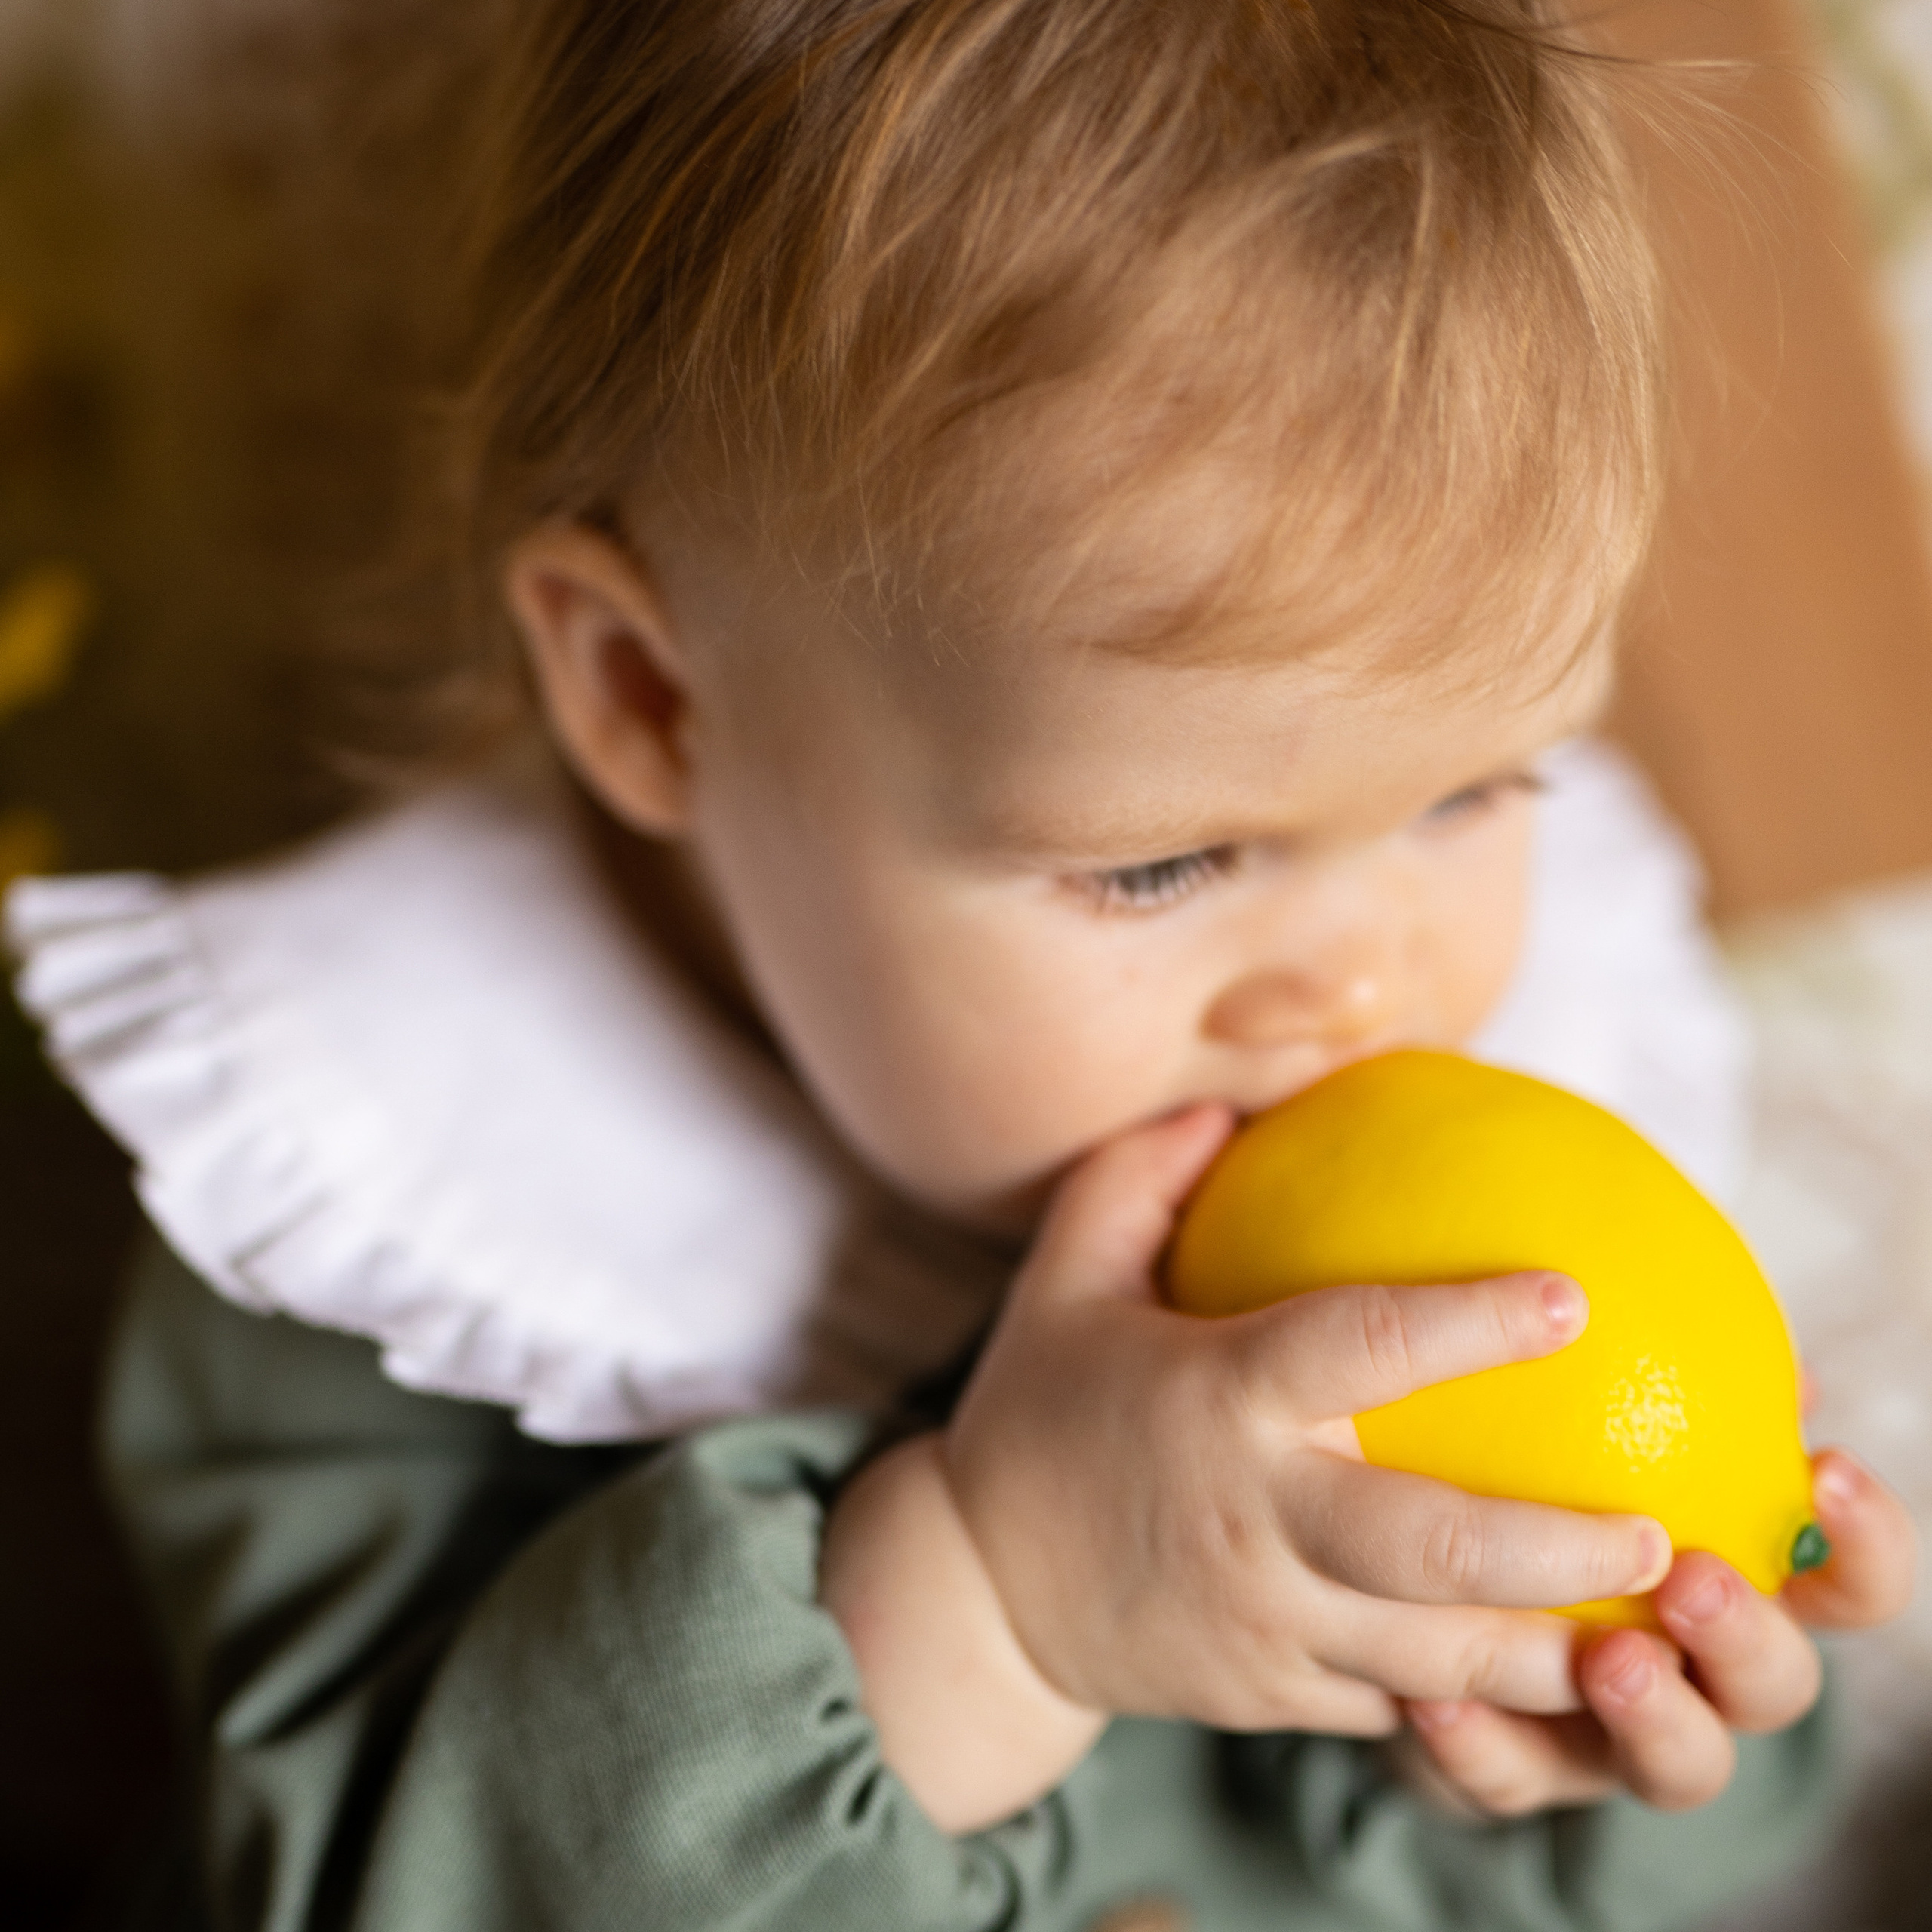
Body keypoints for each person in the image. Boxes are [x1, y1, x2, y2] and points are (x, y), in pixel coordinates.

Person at [3, 2, 1915, 1926]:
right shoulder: (383, 1205)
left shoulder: (1511, 1108)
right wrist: (994, 1598)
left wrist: (1604, 1735)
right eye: (1160, 861)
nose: (1360, 988)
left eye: (1474, 792)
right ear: (653, 694)